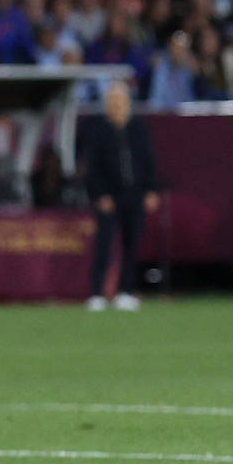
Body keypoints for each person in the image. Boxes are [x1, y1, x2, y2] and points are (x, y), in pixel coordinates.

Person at [81, 80, 159, 311]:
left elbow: (148, 161)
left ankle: (126, 291)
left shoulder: (138, 129)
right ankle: (97, 293)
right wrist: (99, 194)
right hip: (109, 197)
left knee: (131, 245)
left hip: (134, 195)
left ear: (127, 103)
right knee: (103, 245)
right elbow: (91, 167)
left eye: (120, 101)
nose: (116, 106)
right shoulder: (98, 131)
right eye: (112, 101)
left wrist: (151, 190)